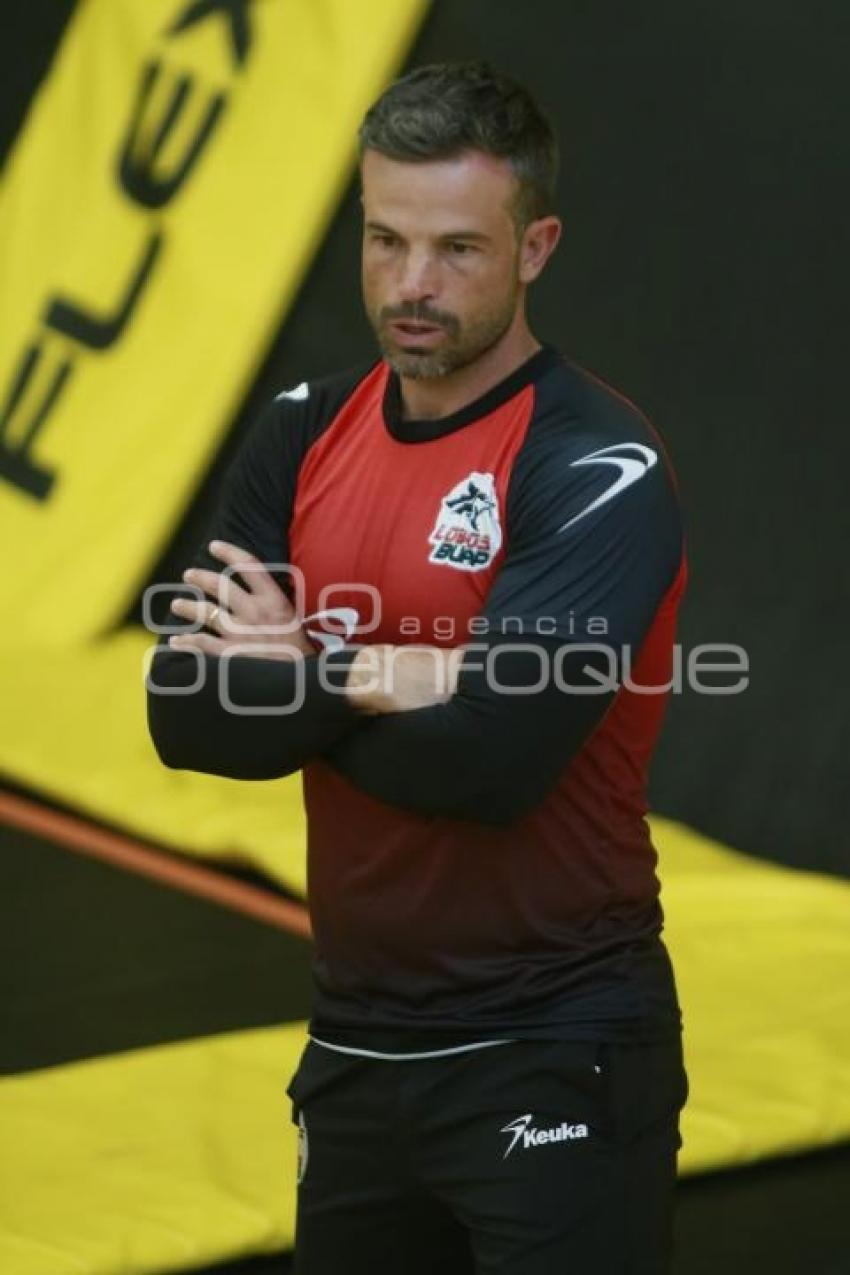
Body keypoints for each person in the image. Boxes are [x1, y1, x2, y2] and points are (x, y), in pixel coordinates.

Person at [147, 60, 689, 1275]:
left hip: (556, 1035)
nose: (412, 286)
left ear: (535, 246)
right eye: (385, 240)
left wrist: (300, 661)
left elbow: (492, 758)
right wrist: (408, 672)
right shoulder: (301, 427)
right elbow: (188, 714)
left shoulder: (597, 462)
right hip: (355, 1045)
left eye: (455, 248)